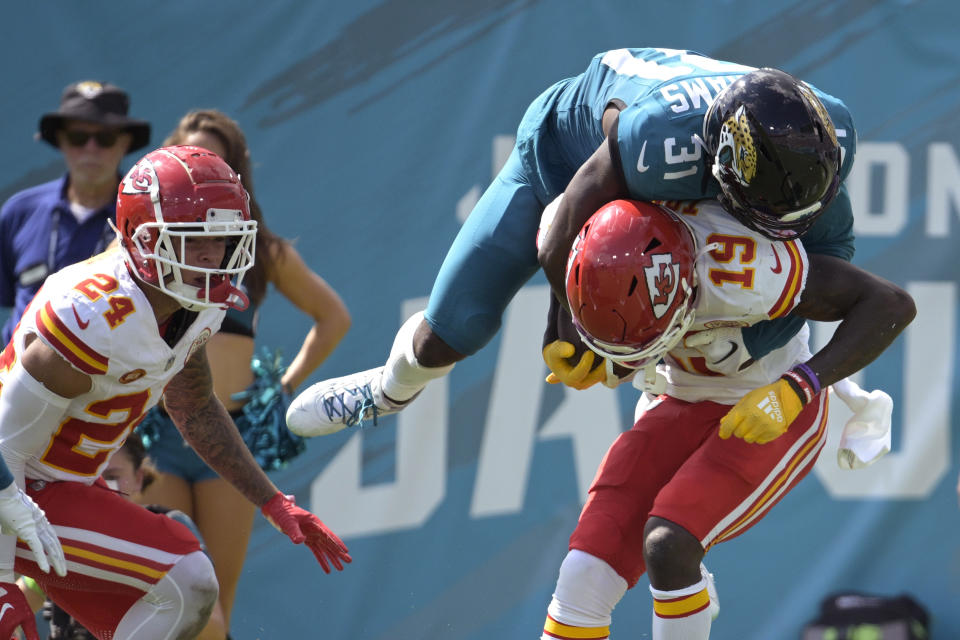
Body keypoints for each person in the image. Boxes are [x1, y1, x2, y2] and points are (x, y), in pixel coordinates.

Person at [283, 48, 857, 436]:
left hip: (666, 170)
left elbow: (833, 261)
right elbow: (564, 228)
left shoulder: (822, 136)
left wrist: (757, 341)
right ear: (723, 165)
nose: (778, 226)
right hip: (564, 160)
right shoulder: (658, 142)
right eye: (766, 213)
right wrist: (575, 327)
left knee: (744, 288)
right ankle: (386, 391)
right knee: (457, 329)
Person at [0, 145, 350, 639]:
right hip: (15, 490)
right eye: (193, 241)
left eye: (223, 239)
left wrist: (271, 501)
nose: (212, 257)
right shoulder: (93, 315)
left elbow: (193, 405)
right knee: (183, 580)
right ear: (143, 239)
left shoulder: (190, 301)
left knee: (186, 586)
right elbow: (5, 445)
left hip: (58, 487)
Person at [536, 198, 915, 640]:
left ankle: (685, 578)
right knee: (584, 567)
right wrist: (557, 329)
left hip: (767, 400)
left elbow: (890, 304)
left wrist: (798, 387)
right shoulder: (580, 234)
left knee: (669, 543)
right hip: (676, 397)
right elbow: (555, 242)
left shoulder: (743, 270)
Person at [135, 109, 351, 631]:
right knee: (166, 592)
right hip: (157, 435)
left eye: (217, 160)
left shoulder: (260, 253)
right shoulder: (146, 245)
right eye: (195, 158)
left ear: (236, 172)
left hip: (226, 439)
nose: (205, 172)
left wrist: (282, 388)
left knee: (215, 599)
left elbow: (333, 318)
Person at [19, 438, 229, 640]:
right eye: (91, 476)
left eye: (112, 475)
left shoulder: (170, 533)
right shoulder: (59, 540)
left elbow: (214, 631)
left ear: (139, 478)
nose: (101, 485)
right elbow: (19, 603)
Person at [0, 80, 151, 344]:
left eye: (105, 137)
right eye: (78, 137)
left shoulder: (148, 218)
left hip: (111, 379)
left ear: (125, 143)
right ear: (60, 140)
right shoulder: (18, 212)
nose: (91, 148)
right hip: (17, 376)